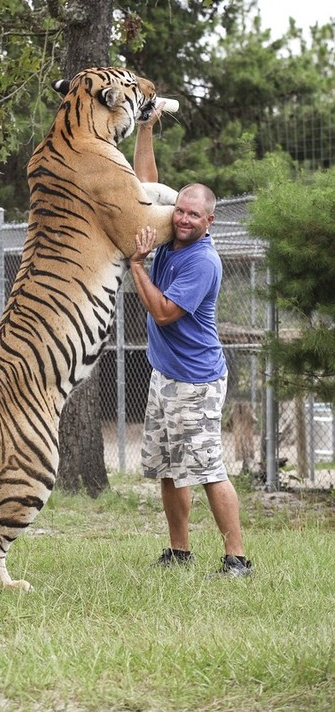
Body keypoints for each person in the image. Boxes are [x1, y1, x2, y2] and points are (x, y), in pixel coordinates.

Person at [130, 107, 253, 577]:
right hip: (166, 377)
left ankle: (237, 559)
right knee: (167, 467)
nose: (182, 219)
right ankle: (179, 551)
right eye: (179, 210)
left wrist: (137, 264)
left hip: (196, 383)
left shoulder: (201, 261)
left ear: (210, 220)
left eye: (193, 214)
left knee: (206, 470)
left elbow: (163, 314)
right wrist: (146, 127)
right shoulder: (169, 234)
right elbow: (145, 186)